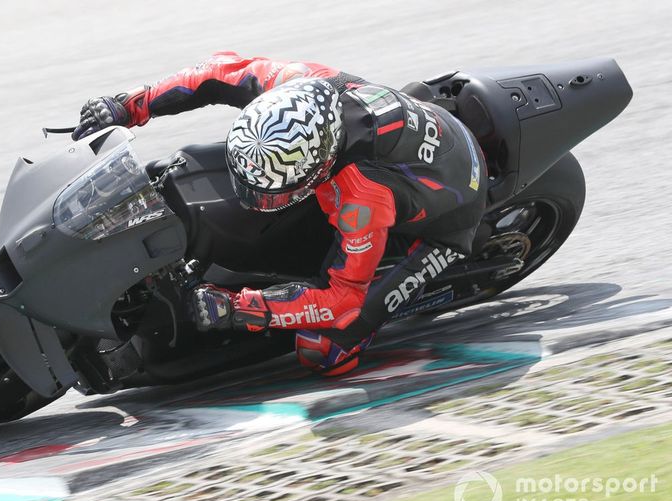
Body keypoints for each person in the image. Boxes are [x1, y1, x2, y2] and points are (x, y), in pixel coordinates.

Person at [73, 51, 487, 376]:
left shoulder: (362, 199)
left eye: (266, 190)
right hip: (414, 138)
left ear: (320, 170)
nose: (250, 197)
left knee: (323, 351)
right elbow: (216, 73)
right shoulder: (298, 84)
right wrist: (129, 106)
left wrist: (239, 308)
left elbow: (342, 301)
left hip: (447, 221)